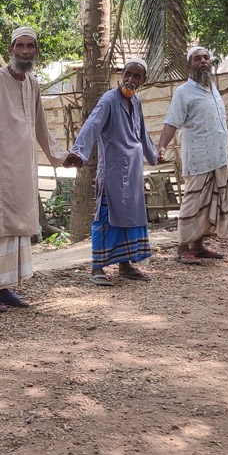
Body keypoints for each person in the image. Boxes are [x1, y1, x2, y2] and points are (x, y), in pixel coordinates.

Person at [0, 26, 79, 312]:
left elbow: (41, 127)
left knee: (16, 230)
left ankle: (4, 287)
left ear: (36, 51)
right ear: (10, 50)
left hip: (23, 171)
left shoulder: (32, 83)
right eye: (19, 46)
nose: (24, 51)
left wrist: (60, 156)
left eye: (29, 46)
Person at [69, 58, 159, 285]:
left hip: (134, 171)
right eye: (127, 74)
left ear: (143, 80)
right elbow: (92, 124)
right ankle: (97, 268)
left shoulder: (135, 102)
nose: (130, 79)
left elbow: (142, 133)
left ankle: (125, 265)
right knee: (106, 217)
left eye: (136, 76)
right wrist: (79, 153)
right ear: (121, 75)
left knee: (130, 217)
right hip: (113, 172)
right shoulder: (109, 100)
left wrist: (154, 156)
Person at [156, 46, 228, 263]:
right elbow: (171, 121)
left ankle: (198, 245)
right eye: (197, 59)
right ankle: (183, 247)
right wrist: (161, 146)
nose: (203, 61)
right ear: (189, 65)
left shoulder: (213, 88)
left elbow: (216, 118)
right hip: (199, 157)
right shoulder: (183, 92)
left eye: (206, 58)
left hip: (219, 156)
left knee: (211, 202)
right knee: (193, 201)